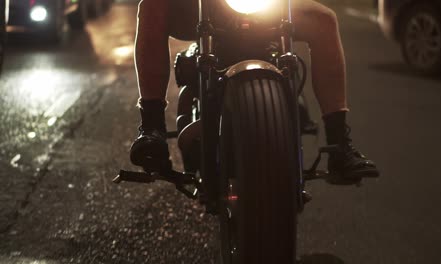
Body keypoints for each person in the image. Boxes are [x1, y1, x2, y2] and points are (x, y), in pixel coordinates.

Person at [129, 0, 379, 179]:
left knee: (323, 20)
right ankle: (152, 129)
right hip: (203, 5)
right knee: (152, 5)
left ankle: (339, 146)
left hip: (269, 7)